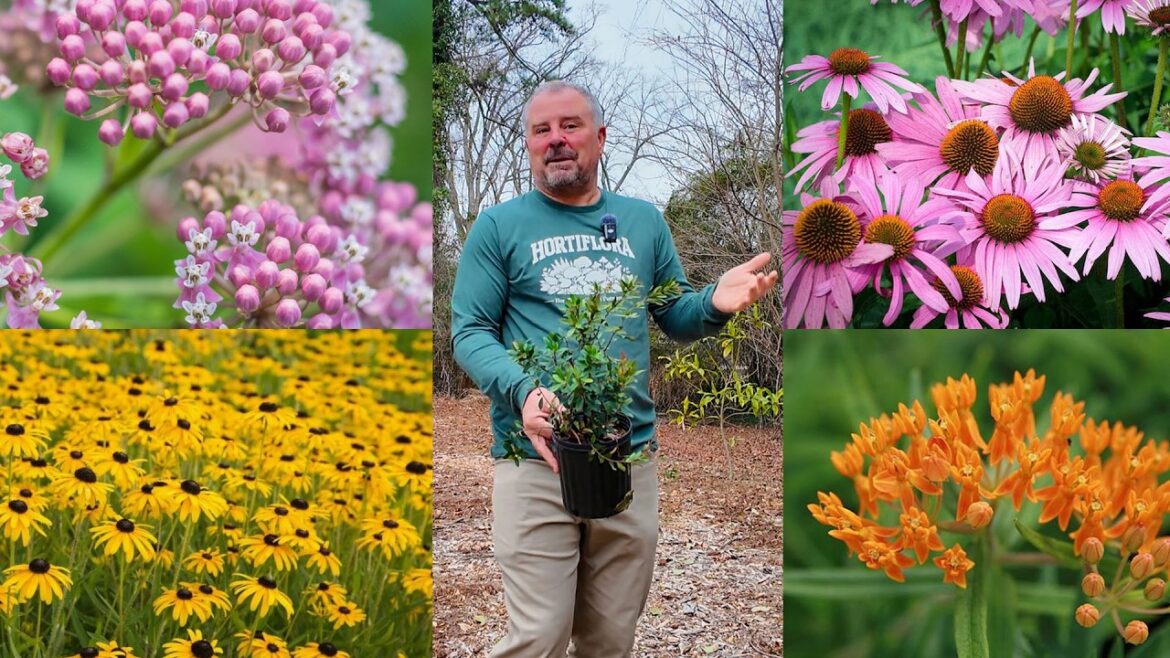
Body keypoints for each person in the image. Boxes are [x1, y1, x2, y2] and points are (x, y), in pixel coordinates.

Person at [451, 79, 777, 657]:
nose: (555, 140)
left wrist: (713, 304)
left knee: (609, 639)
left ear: (600, 137)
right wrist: (523, 391)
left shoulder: (643, 222)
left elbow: (674, 313)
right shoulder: (498, 228)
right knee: (537, 636)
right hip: (535, 458)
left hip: (628, 457)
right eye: (540, 130)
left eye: (569, 126)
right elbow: (470, 332)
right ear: (528, 145)